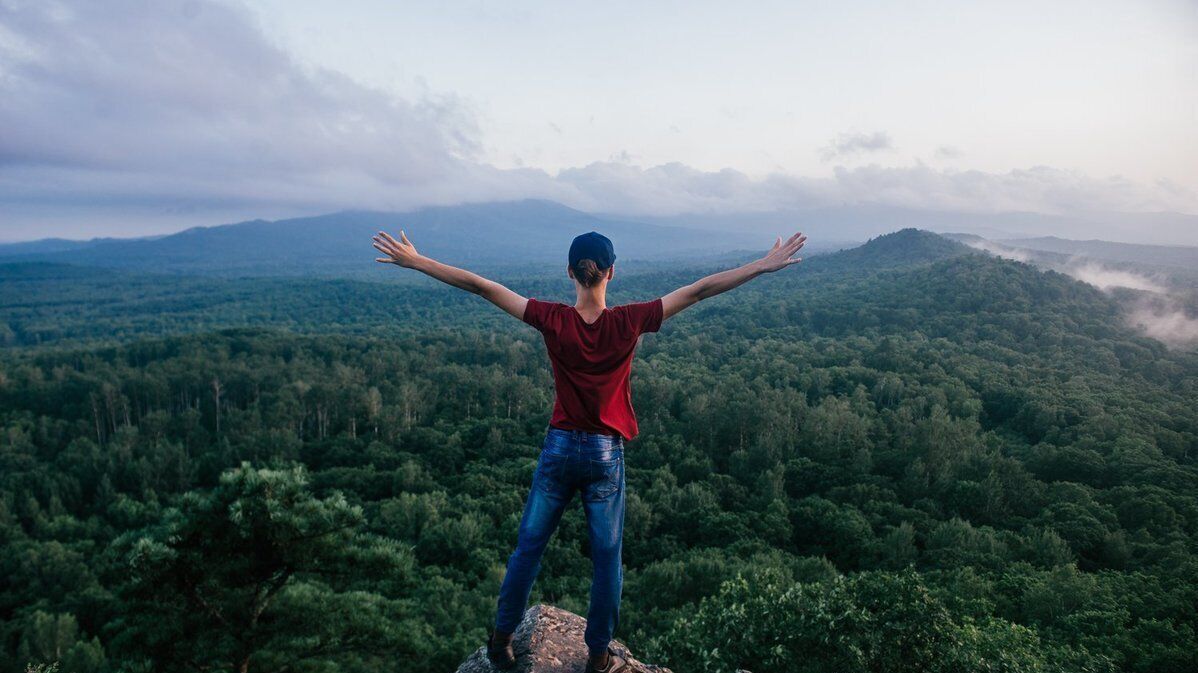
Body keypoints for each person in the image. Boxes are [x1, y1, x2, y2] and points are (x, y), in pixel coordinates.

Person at [372, 228, 807, 672]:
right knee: (606, 561)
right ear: (611, 273)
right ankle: (597, 658)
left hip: (559, 450)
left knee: (528, 550)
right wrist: (761, 265)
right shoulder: (629, 321)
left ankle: (502, 642)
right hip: (604, 457)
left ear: (570, 272)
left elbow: (481, 286)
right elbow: (699, 291)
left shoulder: (552, 318)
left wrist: (419, 261)